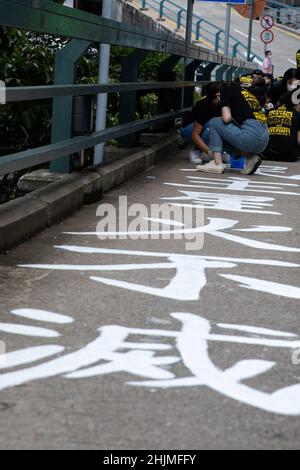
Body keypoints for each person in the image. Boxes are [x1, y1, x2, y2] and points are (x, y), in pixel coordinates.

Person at [196, 81, 269, 174]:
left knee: (214, 122)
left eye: (217, 102)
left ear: (217, 95)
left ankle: (217, 163)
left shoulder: (224, 91)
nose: (218, 104)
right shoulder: (244, 92)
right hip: (264, 139)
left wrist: (223, 105)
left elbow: (226, 118)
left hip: (251, 136)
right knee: (223, 136)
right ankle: (251, 158)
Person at [180, 81, 223, 164]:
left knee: (219, 125)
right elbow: (195, 134)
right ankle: (196, 151)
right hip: (189, 130)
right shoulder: (204, 105)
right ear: (217, 95)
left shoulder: (222, 103)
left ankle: (221, 152)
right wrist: (211, 153)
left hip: (202, 128)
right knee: (212, 126)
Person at [262, 91, 300, 162]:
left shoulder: (268, 112)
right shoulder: (297, 115)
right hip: (289, 156)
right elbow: (299, 140)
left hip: (268, 154)